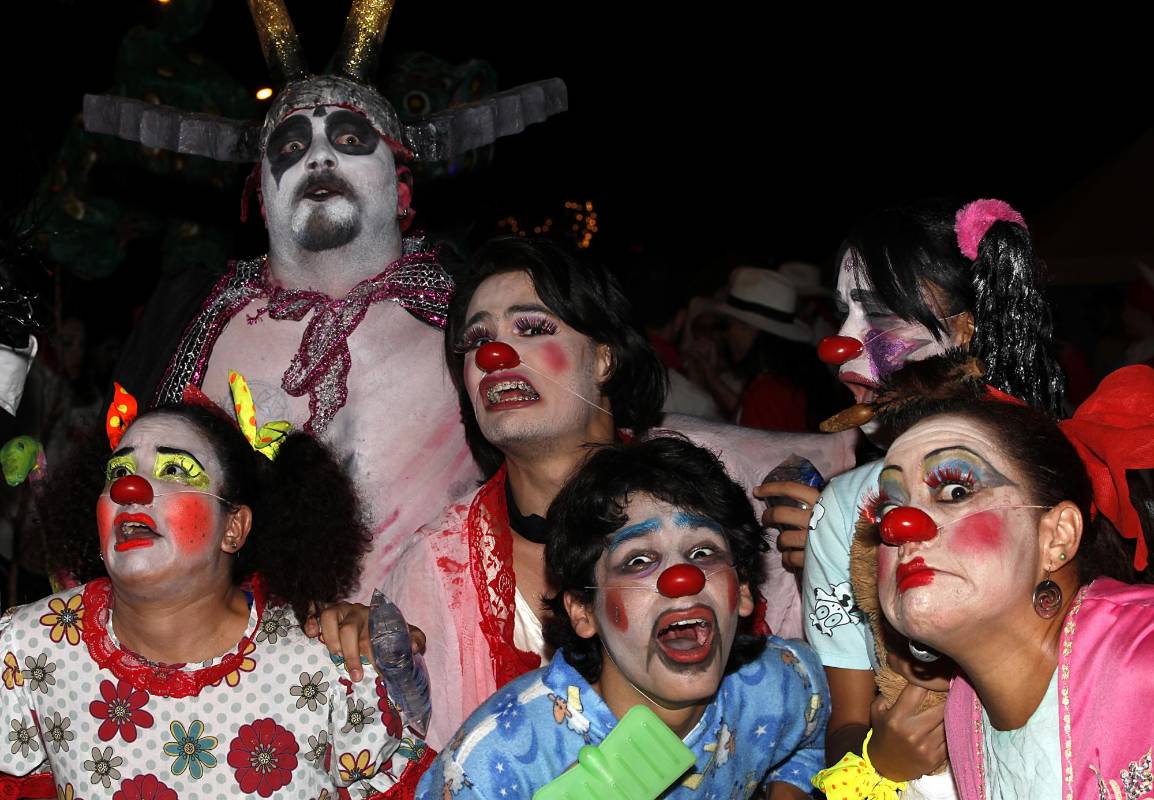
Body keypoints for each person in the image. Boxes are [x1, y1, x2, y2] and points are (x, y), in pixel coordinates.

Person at [96, 1, 565, 601]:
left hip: (444, 658)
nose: (319, 158)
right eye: (289, 148)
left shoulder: (476, 314)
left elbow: (574, 461)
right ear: (261, 195)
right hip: (244, 675)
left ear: (400, 185)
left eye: (349, 138)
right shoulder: (190, 319)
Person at [318, 238, 852, 751]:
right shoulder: (437, 567)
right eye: (477, 340)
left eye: (530, 327)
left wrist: (831, 559)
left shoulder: (716, 490)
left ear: (603, 359)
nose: (496, 355)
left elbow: (813, 698)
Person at [0, 391, 431, 798]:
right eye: (119, 473)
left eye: (173, 471)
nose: (131, 491)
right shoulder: (25, 651)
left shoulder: (332, 664)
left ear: (234, 528)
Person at [781, 198, 1067, 790]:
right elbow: (847, 721)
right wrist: (878, 760)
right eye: (841, 313)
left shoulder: (1059, 478)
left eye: (880, 317)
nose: (840, 343)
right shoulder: (846, 508)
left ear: (966, 327)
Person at [418, 437, 829, 799]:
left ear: (741, 590)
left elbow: (811, 739)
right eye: (638, 560)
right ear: (582, 611)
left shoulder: (782, 682)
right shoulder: (496, 763)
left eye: (702, 553)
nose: (680, 578)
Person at [863, 364, 1154, 799]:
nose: (901, 527)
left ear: (1057, 536)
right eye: (888, 509)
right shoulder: (965, 710)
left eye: (955, 491)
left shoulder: (1143, 657)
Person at [710, 267, 848, 432]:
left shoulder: (768, 392)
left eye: (729, 325)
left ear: (748, 327)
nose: (726, 335)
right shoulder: (793, 379)